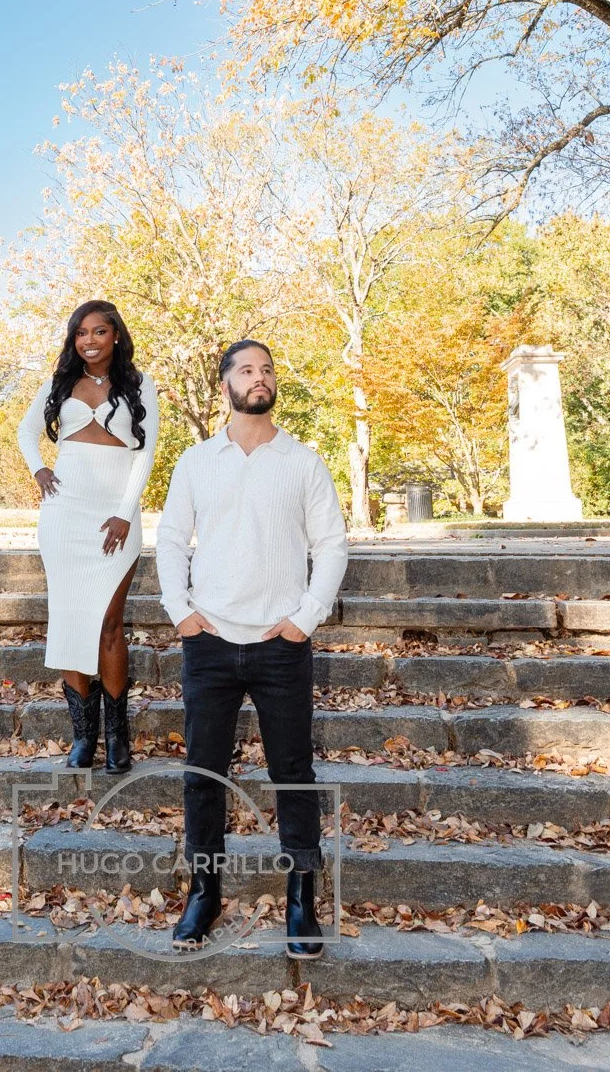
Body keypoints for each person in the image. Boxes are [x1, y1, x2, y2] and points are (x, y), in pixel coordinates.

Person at [156, 340, 348, 956]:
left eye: (267, 369)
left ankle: (301, 900)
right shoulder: (195, 461)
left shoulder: (304, 462)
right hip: (209, 643)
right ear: (225, 385)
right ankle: (203, 893)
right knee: (203, 776)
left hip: (280, 645)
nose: (259, 377)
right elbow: (167, 539)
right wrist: (181, 612)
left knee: (293, 775)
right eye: (246, 369)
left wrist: (305, 618)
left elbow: (332, 546)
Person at [17, 300, 159, 773]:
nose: (89, 340)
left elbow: (146, 453)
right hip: (65, 511)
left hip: (116, 513)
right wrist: (38, 467)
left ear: (115, 335)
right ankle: (83, 737)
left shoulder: (140, 386)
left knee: (109, 622)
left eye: (99, 331)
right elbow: (25, 431)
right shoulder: (58, 385)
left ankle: (118, 739)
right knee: (69, 619)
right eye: (81, 333)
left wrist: (124, 513)